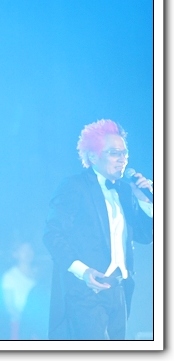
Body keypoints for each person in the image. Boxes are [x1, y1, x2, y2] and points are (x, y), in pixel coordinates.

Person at [43, 119, 153, 340]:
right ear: (93, 157)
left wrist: (145, 202)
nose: (122, 159)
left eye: (124, 153)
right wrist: (83, 271)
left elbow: (145, 235)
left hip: (120, 289)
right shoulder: (74, 186)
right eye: (114, 153)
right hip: (87, 291)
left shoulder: (126, 191)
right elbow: (52, 235)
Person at [1, 241, 37, 340]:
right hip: (20, 324)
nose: (28, 253)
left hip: (39, 324)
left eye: (30, 249)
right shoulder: (10, 276)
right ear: (15, 254)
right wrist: (27, 322)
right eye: (23, 250)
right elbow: (9, 307)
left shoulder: (38, 273)